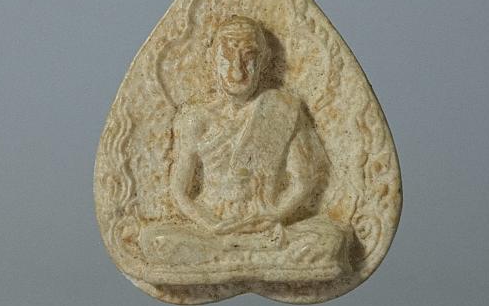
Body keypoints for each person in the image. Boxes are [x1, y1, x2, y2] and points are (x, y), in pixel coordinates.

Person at [141, 16, 351, 276]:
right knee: (156, 242)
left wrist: (274, 215)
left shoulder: (282, 110)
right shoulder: (195, 119)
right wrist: (211, 224)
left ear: (263, 61)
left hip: (267, 229)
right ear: (212, 60)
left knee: (330, 240)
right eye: (226, 58)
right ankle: (250, 258)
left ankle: (231, 259)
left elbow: (302, 181)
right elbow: (180, 191)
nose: (237, 71)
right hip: (215, 230)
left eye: (248, 58)